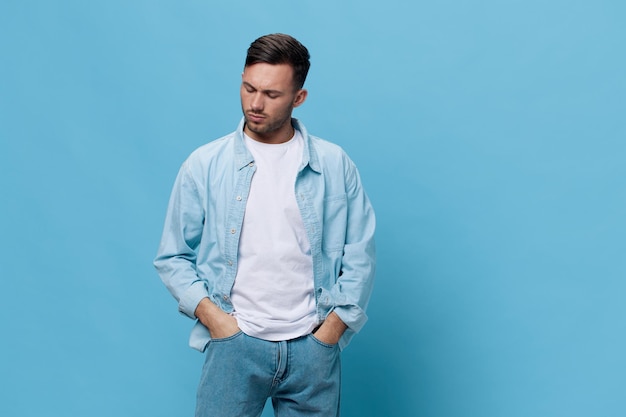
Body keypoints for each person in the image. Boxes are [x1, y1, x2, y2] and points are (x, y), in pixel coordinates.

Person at [154, 33, 376, 417]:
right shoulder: (204, 165)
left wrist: (332, 331)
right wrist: (216, 322)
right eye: (248, 88)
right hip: (234, 346)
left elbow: (361, 254)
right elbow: (172, 256)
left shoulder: (335, 165)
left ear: (298, 97)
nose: (255, 104)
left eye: (271, 95)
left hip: (313, 347)